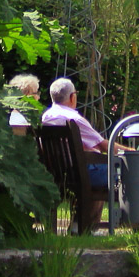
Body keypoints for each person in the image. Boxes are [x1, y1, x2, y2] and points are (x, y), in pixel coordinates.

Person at [41, 77, 108, 231]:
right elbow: (103, 145)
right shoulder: (73, 119)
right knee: (118, 170)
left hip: (56, 174)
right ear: (73, 97)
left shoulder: (45, 118)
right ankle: (85, 228)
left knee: (95, 166)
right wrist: (131, 152)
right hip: (78, 174)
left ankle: (78, 226)